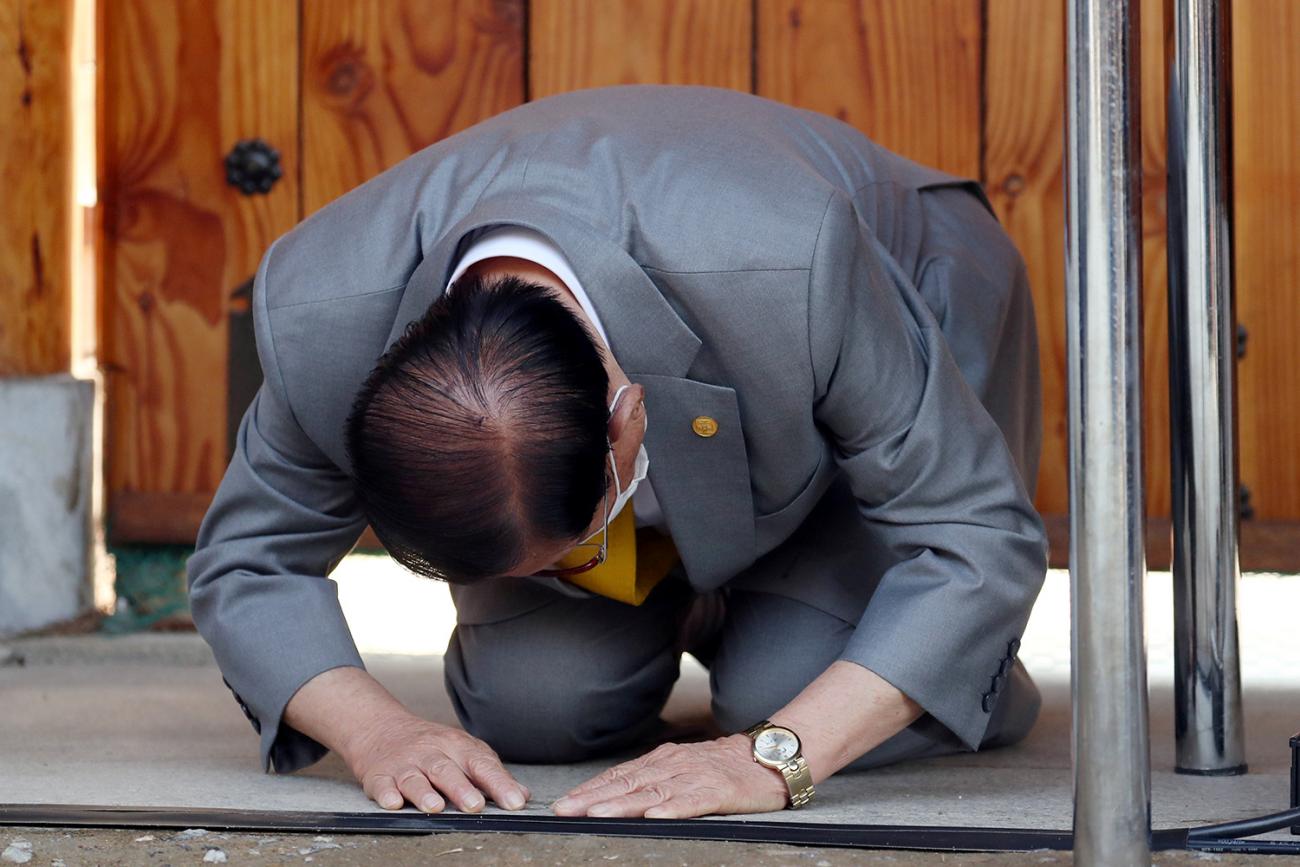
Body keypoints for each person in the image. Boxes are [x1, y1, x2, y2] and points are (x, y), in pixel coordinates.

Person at [187, 84, 1048, 820]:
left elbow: (972, 534)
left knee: (780, 689)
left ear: (629, 424)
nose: (573, 576)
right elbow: (247, 560)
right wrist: (378, 729)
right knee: (535, 710)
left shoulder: (794, 263)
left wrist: (772, 756)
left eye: (578, 552)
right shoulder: (321, 319)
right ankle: (725, 611)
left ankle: (801, 629)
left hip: (903, 285)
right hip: (671, 363)